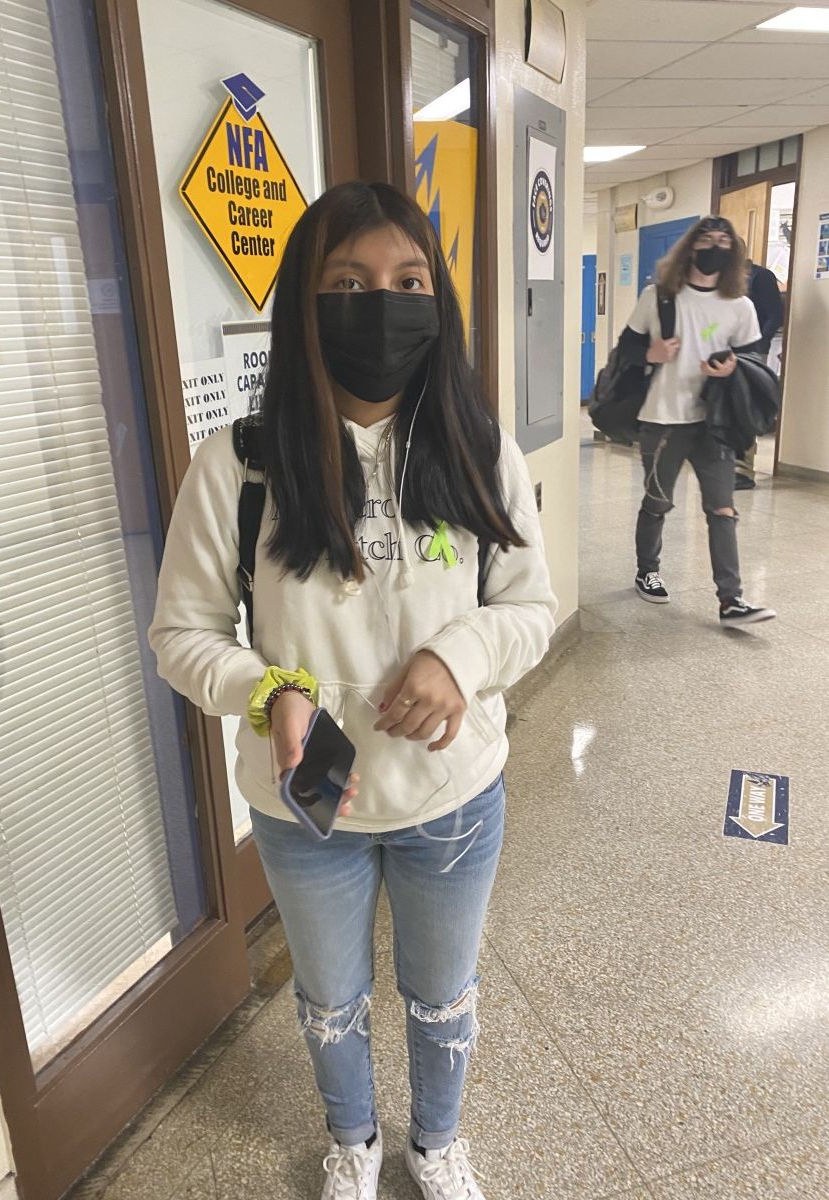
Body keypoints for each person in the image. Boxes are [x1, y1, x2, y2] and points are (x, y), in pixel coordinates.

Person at [149, 181, 557, 1200]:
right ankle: (356, 1144)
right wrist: (268, 688)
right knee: (330, 997)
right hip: (307, 807)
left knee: (441, 992)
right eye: (348, 282)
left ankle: (436, 1142)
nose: (383, 302)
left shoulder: (477, 448)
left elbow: (531, 608)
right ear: (305, 302)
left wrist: (460, 657)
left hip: (453, 797)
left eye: (407, 281)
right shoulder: (238, 466)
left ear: (438, 297)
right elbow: (180, 637)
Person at [619, 215, 776, 625]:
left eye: (725, 240)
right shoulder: (658, 298)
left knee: (722, 509)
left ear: (735, 251)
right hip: (663, 418)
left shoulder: (741, 306)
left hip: (716, 423)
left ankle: (731, 600)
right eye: (707, 238)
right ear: (690, 246)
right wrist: (650, 354)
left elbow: (753, 359)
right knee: (657, 502)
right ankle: (647, 571)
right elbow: (626, 350)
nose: (715, 246)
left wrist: (731, 369)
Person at [734, 240, 784, 490]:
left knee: (745, 409)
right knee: (726, 408)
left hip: (751, 353)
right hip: (724, 355)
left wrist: (760, 346)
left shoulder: (761, 277)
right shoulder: (720, 280)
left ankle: (743, 470)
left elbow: (775, 313)